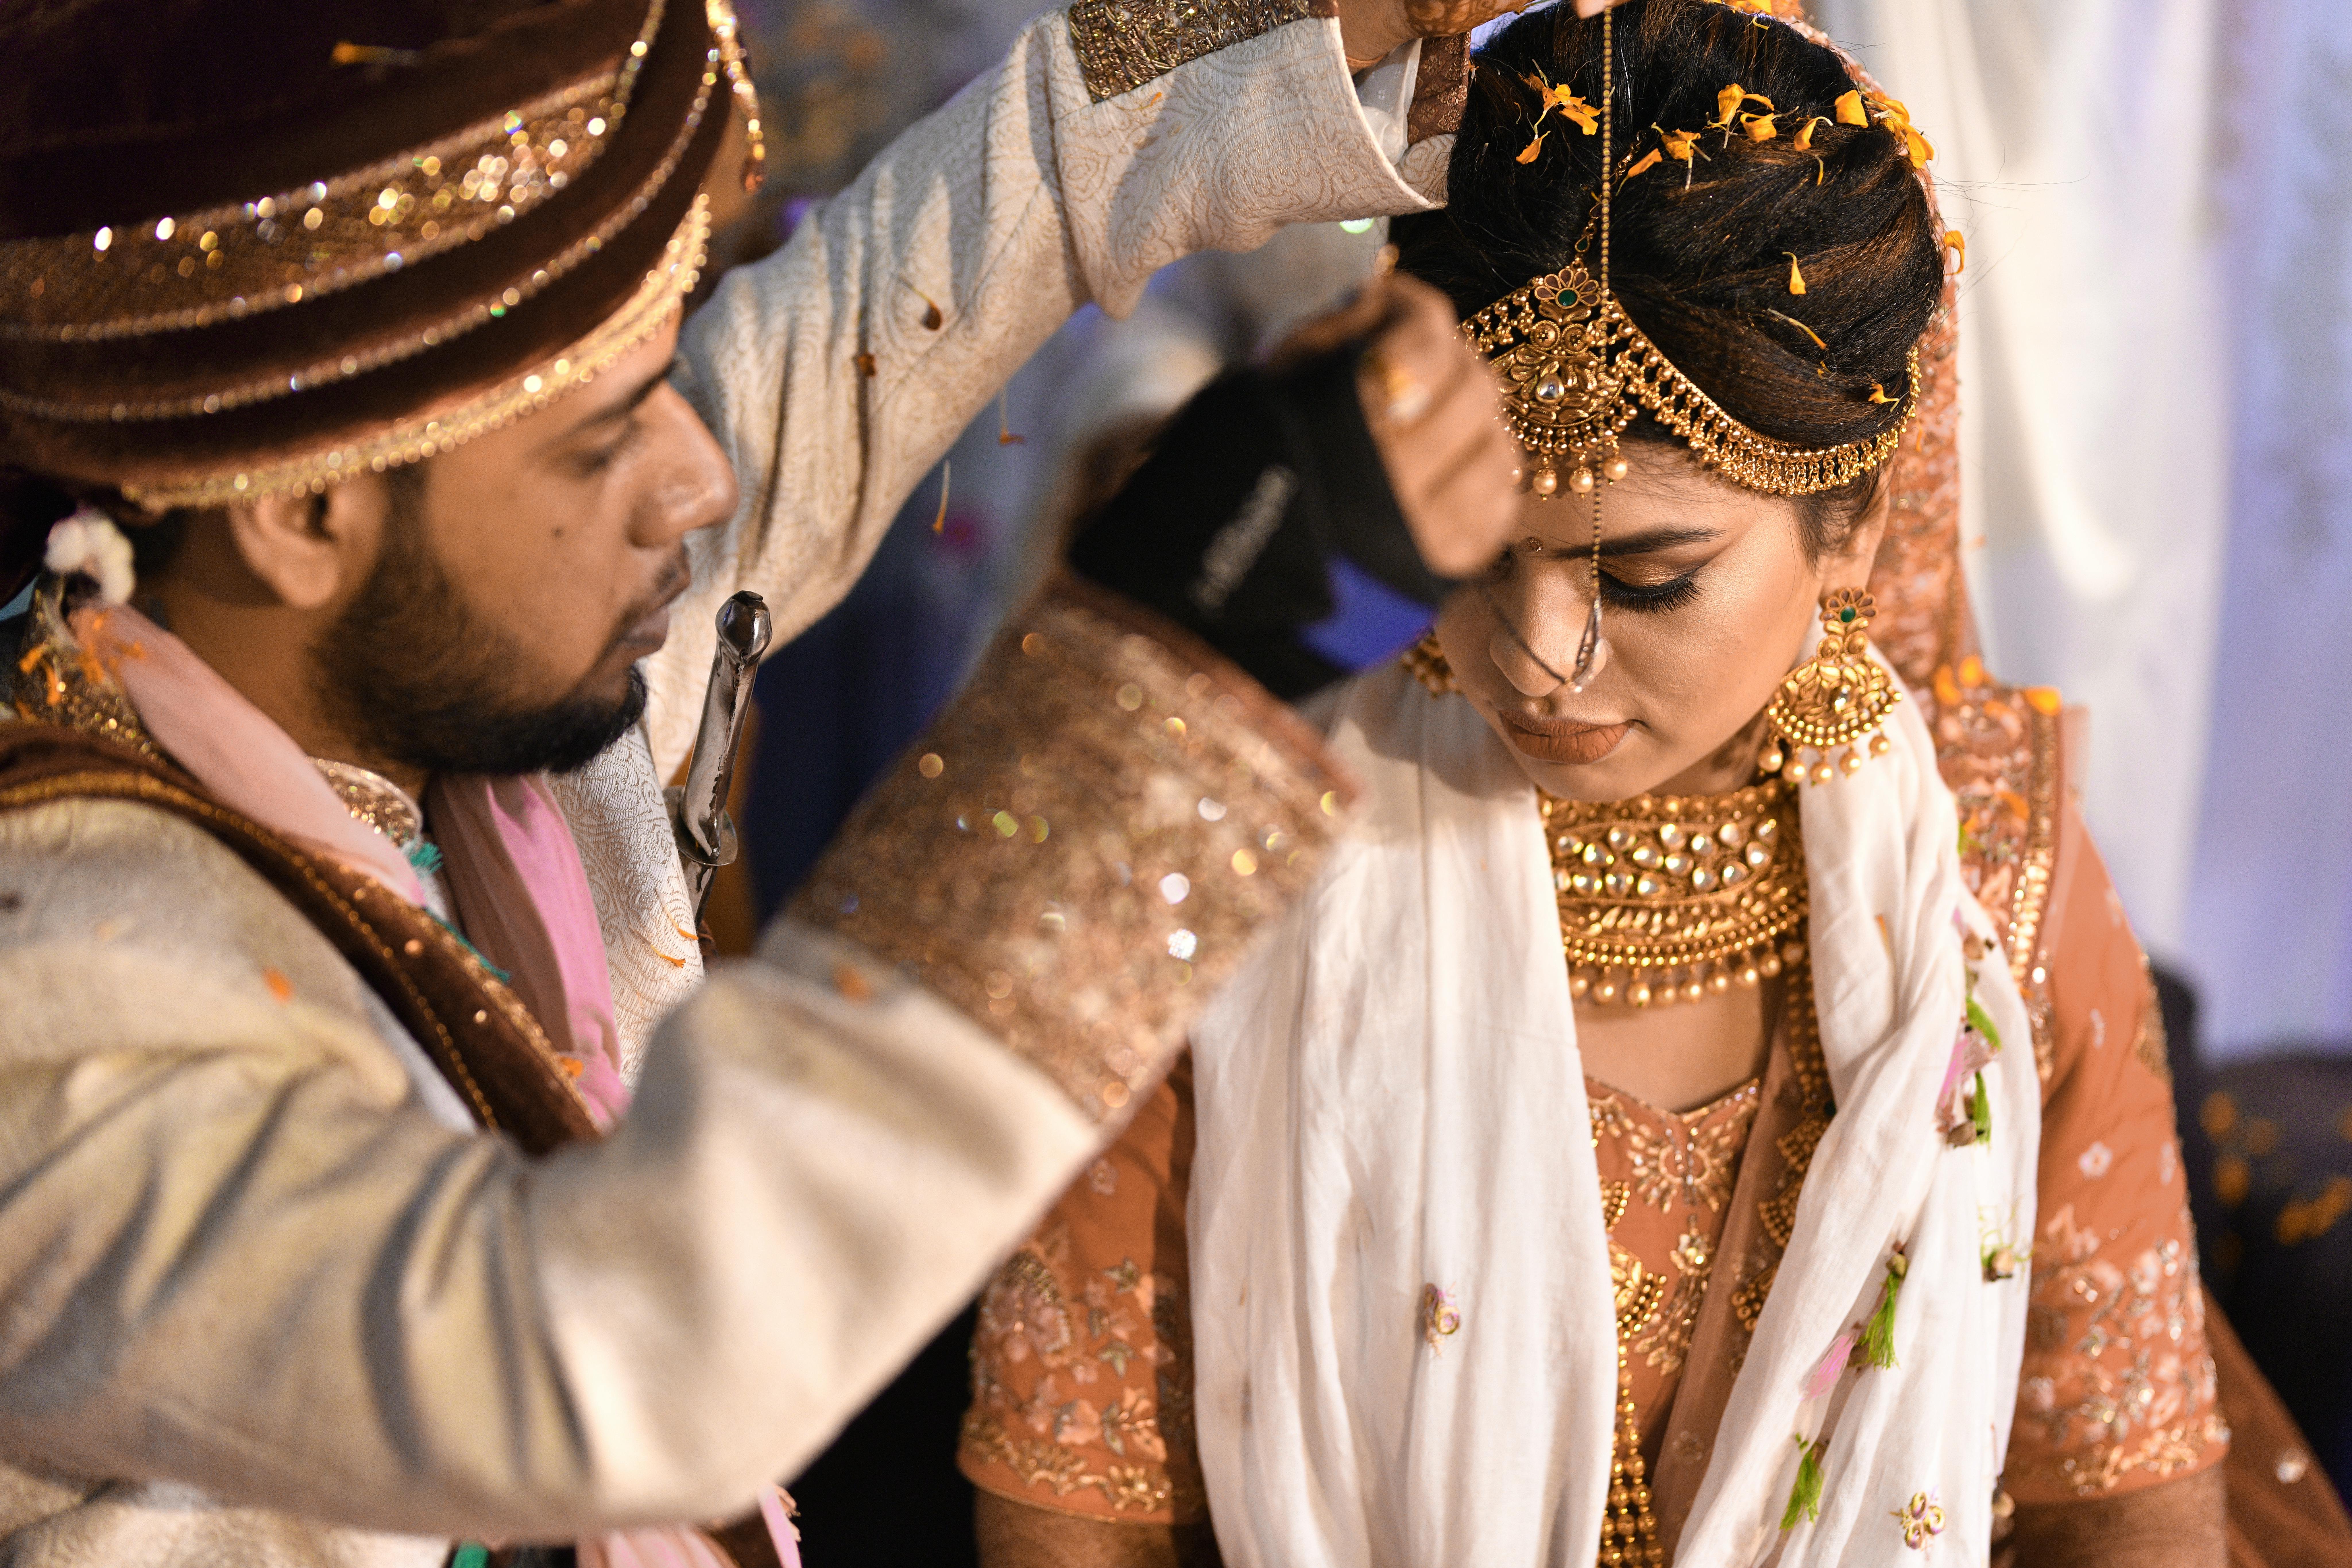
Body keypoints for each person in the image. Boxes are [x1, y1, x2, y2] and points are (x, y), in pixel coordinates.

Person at [0, 0, 1530, 1560]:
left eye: (674, 375)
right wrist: (1165, 682)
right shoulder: (57, 1001)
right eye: (606, 443)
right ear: (304, 511)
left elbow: (918, 279)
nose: (703, 472)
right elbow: (605, 1358)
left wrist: (1278, 22)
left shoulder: (480, 665)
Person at [956, 2, 2351, 1563]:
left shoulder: (1990, 874)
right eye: (1479, 555)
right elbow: (1071, 1503)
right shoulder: (1232, 828)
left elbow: (2120, 1495)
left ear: (1854, 527)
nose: (1546, 653)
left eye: (1650, 575)